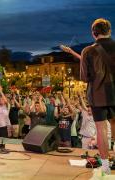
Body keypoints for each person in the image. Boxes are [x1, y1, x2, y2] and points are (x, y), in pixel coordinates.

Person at [80, 18, 115, 175]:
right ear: (110, 31)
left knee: (101, 129)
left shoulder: (88, 51)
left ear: (94, 34)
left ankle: (106, 167)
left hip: (97, 94)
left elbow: (84, 78)